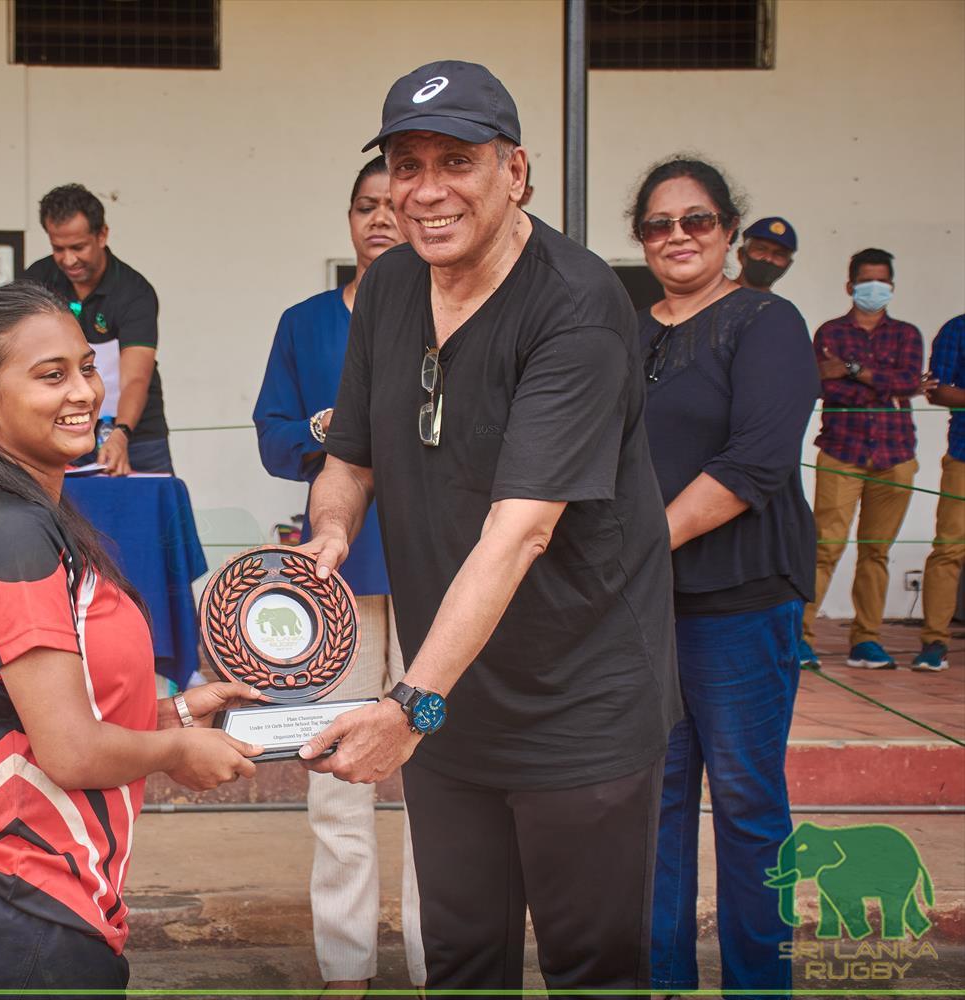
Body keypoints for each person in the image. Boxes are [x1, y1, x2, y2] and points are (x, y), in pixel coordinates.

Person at [295, 61, 679, 993]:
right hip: (449, 703)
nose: (425, 191)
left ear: (517, 172)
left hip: (577, 707)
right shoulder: (388, 290)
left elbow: (520, 533)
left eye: (456, 161)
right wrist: (327, 546)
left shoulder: (576, 310)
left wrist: (409, 704)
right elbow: (350, 453)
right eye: (405, 162)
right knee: (463, 964)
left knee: (594, 971)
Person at [0, 281, 263, 992]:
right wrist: (179, 749)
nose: (84, 392)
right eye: (50, 376)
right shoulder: (10, 534)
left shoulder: (22, 517)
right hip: (12, 904)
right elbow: (69, 749)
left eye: (87, 367)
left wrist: (177, 714)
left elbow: (29, 721)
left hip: (27, 901)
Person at [629, 157, 818, 995]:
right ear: (640, 238)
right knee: (655, 812)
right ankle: (661, 978)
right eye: (660, 224)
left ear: (730, 232)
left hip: (740, 603)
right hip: (644, 612)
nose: (678, 236)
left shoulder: (767, 322)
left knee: (747, 808)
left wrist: (639, 545)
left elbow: (758, 463)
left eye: (697, 220)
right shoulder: (627, 334)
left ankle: (758, 983)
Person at [252, 155, 424, 996]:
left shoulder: (451, 309)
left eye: (396, 206)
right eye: (366, 207)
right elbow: (275, 436)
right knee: (337, 782)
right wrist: (332, 434)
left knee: (438, 783)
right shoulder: (306, 321)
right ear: (349, 220)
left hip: (441, 578)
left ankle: (443, 968)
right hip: (337, 579)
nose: (382, 221)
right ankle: (344, 973)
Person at [803, 248, 925, 669]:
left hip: (895, 455)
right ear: (850, 286)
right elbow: (824, 386)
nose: (875, 288)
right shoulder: (830, 332)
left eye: (883, 281)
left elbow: (910, 384)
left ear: (891, 286)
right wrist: (877, 383)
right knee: (824, 547)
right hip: (842, 451)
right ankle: (801, 638)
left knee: (876, 551)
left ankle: (866, 640)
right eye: (867, 281)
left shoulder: (907, 334)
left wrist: (852, 369)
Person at [25, 184, 171, 475]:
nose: (68, 260)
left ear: (101, 235)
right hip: (60, 427)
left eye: (78, 247)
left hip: (135, 434)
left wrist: (121, 433)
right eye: (58, 248)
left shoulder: (135, 292)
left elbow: (135, 379)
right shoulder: (36, 281)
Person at [915, 313, 965, 671]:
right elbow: (937, 389)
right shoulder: (957, 328)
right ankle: (935, 641)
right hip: (964, 455)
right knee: (949, 548)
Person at [734, 216, 797, 291]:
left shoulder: (780, 303)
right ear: (741, 254)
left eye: (779, 254)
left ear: (788, 265)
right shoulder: (717, 297)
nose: (768, 258)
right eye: (761, 249)